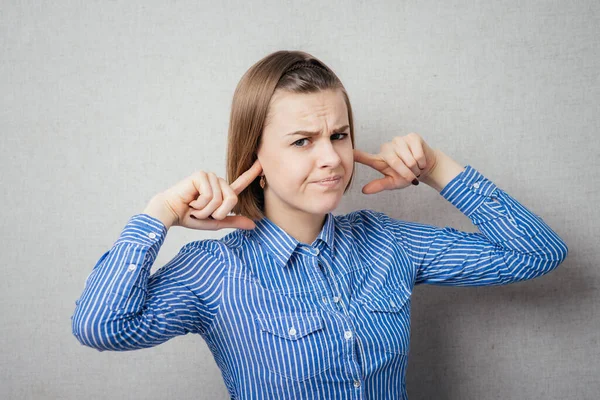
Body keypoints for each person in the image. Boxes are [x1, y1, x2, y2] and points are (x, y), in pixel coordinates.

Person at [71, 50, 568, 399]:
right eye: (302, 141)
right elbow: (100, 326)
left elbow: (535, 253)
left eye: (339, 134)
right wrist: (159, 213)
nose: (332, 158)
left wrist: (435, 167)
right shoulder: (214, 271)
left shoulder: (388, 242)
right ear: (255, 156)